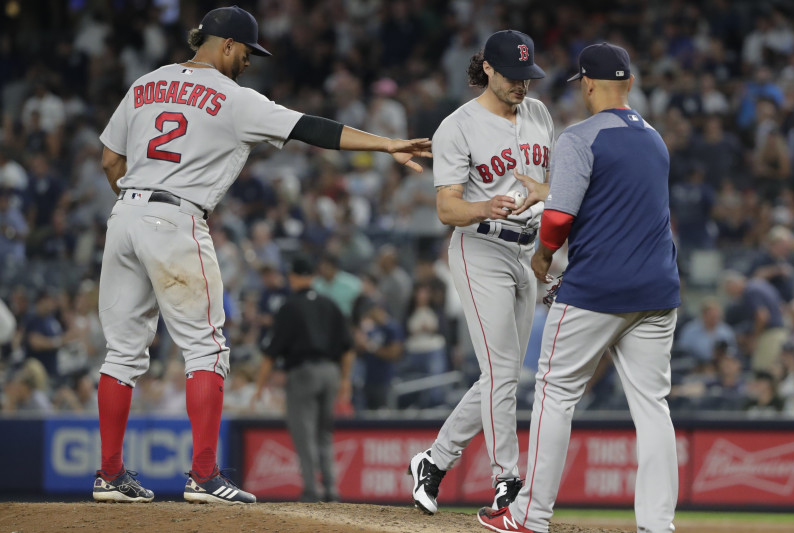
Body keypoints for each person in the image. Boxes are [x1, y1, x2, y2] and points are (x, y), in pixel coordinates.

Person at [93, 5, 431, 504]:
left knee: (121, 352)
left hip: (125, 213)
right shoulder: (234, 98)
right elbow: (311, 128)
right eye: (246, 52)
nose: (249, 61)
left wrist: (134, 206)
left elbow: (110, 159)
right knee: (206, 349)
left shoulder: (145, 83)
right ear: (226, 45)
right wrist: (386, 146)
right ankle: (204, 476)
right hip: (176, 219)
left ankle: (109, 475)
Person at [477, 43, 681, 533]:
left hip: (597, 289)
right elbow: (613, 203)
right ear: (629, 82)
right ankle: (657, 525)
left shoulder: (580, 137)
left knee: (554, 391)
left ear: (587, 83)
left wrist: (543, 258)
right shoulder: (655, 139)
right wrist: (557, 192)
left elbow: (560, 219)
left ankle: (530, 516)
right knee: (653, 407)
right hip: (657, 292)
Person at [408, 29, 553, 514]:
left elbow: (550, 185)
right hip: (481, 249)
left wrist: (549, 250)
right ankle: (507, 479)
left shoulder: (538, 114)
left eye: (527, 75)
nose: (521, 85)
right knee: (501, 373)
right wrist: (483, 207)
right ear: (486, 69)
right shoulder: (458, 126)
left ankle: (434, 460)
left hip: (527, 250)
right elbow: (447, 209)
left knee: (505, 373)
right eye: (512, 76)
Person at [252, 255, 355, 502]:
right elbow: (348, 348)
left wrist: (258, 387)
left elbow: (270, 354)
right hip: (331, 372)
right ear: (313, 277)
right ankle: (331, 489)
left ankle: (312, 490)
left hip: (303, 373)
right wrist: (344, 380)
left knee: (304, 434)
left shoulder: (289, 307)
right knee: (324, 433)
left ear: (294, 277)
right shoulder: (330, 304)